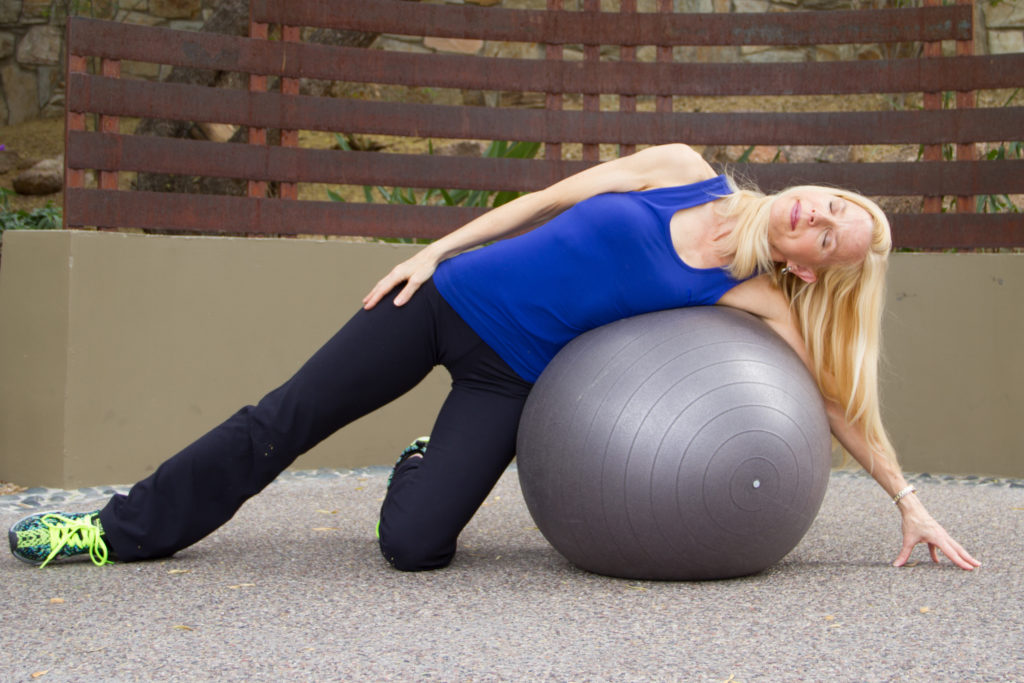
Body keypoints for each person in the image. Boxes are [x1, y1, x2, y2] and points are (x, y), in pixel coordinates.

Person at [8, 144, 979, 572]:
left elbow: (841, 402)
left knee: (413, 546)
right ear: (816, 191)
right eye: (833, 206)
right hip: (442, 303)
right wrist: (433, 252)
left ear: (812, 275)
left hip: (506, 376)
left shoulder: (755, 295)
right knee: (281, 422)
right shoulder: (680, 169)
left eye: (831, 240)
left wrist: (907, 498)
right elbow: (545, 200)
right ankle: (113, 531)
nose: (818, 219)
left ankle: (420, 468)